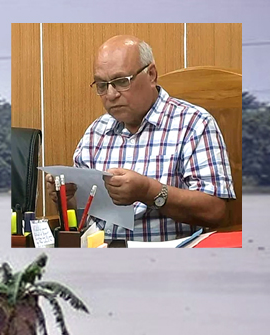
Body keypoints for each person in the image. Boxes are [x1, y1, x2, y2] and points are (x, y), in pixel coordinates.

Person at [47, 35, 235, 242]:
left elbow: (216, 212)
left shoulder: (194, 123)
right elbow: (83, 215)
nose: (111, 94)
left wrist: (149, 191)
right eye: (102, 85)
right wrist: (67, 198)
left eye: (121, 82)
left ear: (151, 74)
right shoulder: (96, 131)